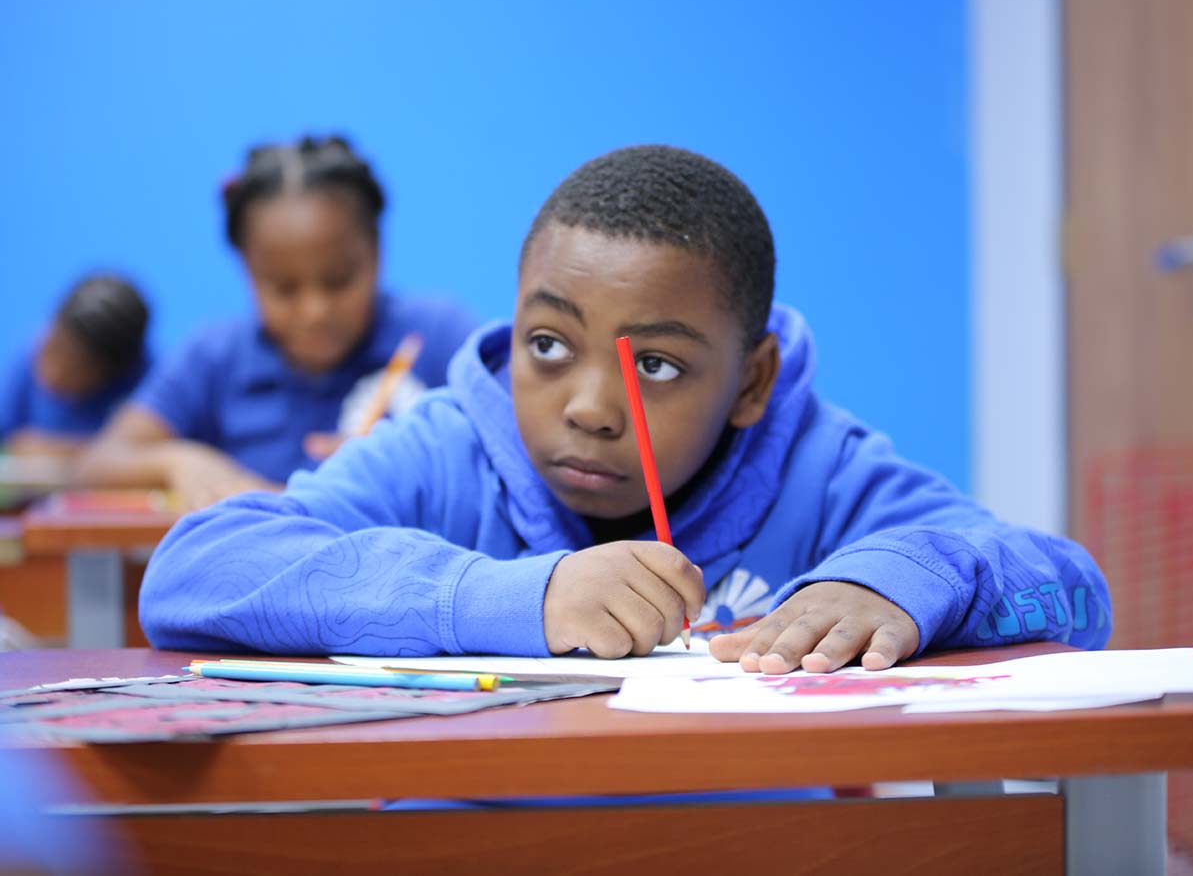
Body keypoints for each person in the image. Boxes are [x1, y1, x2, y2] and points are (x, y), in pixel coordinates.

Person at [139, 145, 1111, 674]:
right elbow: (191, 575)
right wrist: (517, 595)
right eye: (549, 347)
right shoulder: (446, 452)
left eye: (656, 364)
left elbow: (1076, 597)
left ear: (755, 380)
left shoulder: (824, 469)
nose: (593, 408)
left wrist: (902, 580)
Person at [76, 136, 477, 510]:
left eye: (339, 281)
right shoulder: (215, 357)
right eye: (284, 289)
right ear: (247, 269)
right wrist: (179, 461)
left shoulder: (437, 335)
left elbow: (518, 447)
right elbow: (95, 467)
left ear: (376, 252)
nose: (314, 310)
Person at [1, 274, 150, 459]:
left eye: (77, 365)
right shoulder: (30, 354)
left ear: (112, 371)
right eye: (54, 348)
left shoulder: (147, 382)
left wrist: (64, 451)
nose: (56, 373)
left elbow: (147, 451)